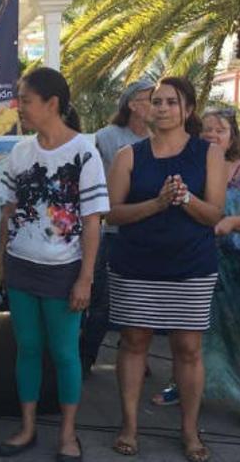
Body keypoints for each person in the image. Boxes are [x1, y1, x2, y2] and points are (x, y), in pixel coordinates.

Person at [106, 77, 226, 462]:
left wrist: (185, 198)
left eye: (171, 102)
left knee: (188, 348)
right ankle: (129, 426)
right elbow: (112, 213)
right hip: (136, 266)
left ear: (187, 110)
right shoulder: (128, 155)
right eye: (156, 101)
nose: (162, 108)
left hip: (190, 266)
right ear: (144, 108)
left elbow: (214, 214)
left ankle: (190, 432)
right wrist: (157, 204)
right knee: (133, 343)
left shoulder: (208, 154)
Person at [0, 67, 107, 461]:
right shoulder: (20, 151)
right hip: (21, 266)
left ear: (52, 103)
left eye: (25, 100)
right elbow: (8, 211)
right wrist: (1, 263)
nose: (19, 107)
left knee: (63, 353)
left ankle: (68, 434)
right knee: (27, 348)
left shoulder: (84, 153)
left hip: (64, 272)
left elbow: (93, 222)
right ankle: (27, 428)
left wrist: (85, 279)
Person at [151, 109, 240, 428]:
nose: (212, 135)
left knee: (237, 332)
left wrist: (231, 221)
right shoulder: (189, 167)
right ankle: (183, 386)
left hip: (234, 268)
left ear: (233, 136)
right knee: (188, 331)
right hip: (191, 261)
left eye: (220, 130)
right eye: (206, 130)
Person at [80, 79, 154, 376]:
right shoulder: (105, 138)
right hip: (111, 234)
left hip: (150, 233)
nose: (159, 105)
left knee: (142, 302)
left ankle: (137, 356)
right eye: (152, 99)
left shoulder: (163, 138)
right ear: (133, 104)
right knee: (103, 302)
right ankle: (85, 359)